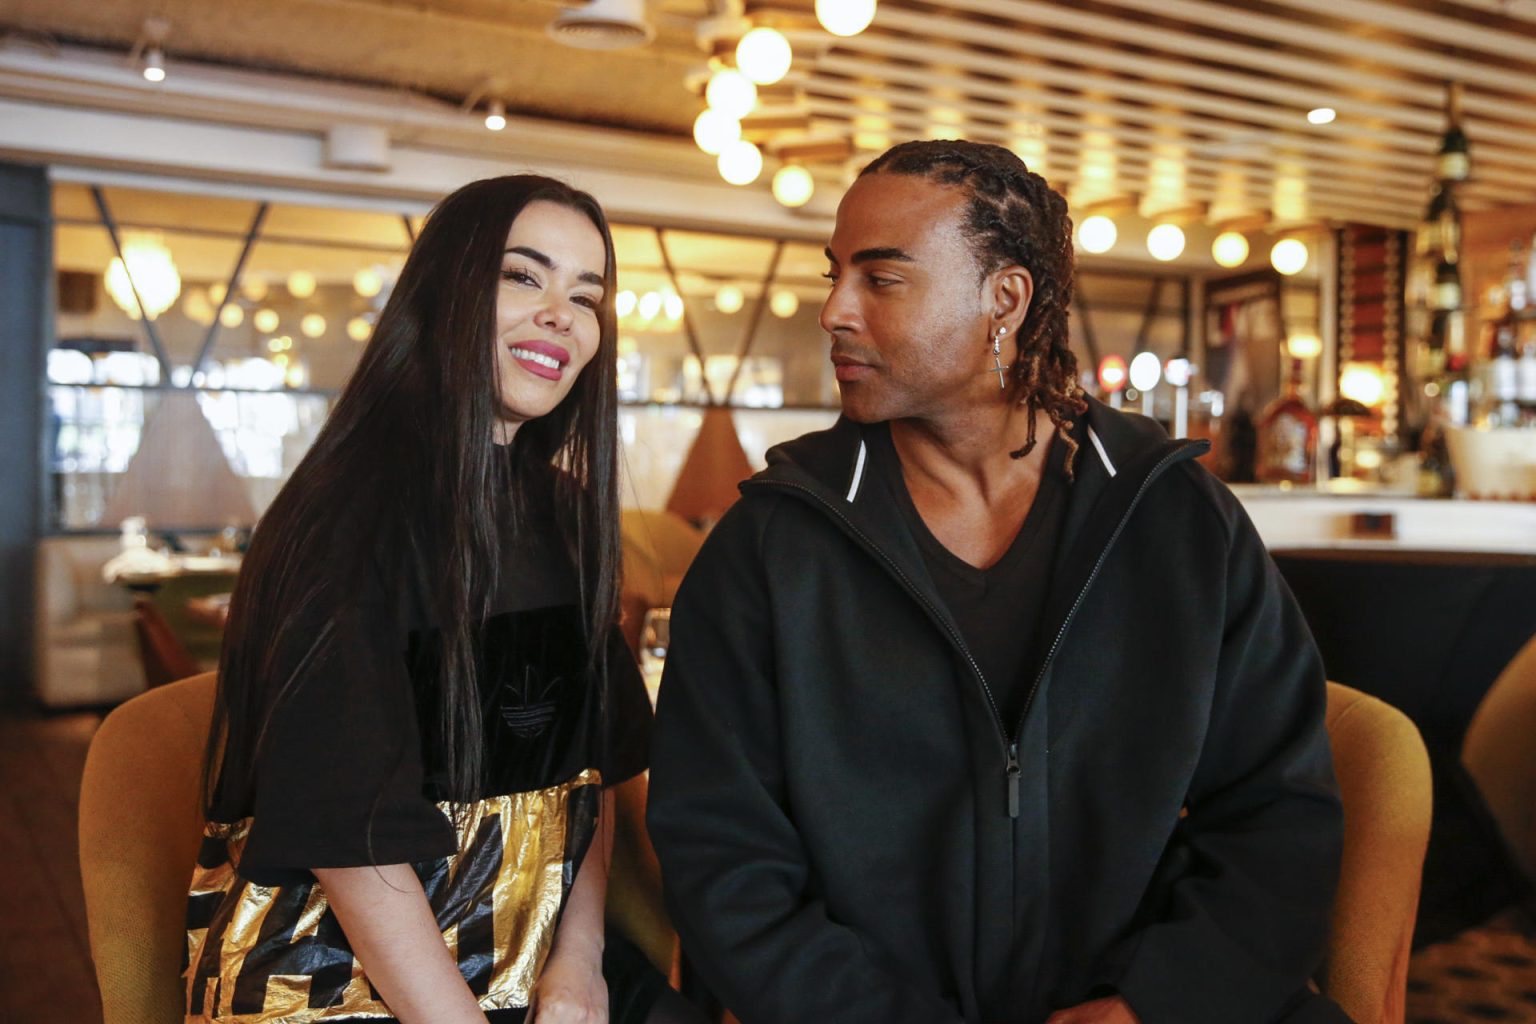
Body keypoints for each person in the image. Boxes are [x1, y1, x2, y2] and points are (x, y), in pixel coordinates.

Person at [646, 141, 1349, 1024]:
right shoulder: (769, 547)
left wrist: (1152, 1005)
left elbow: (1278, 812)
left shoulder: (1176, 521)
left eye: (882, 278)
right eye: (836, 275)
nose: (833, 311)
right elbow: (722, 858)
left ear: (1004, 300)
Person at [188, 175, 697, 1024]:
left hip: (526, 962)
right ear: (447, 291)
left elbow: (591, 778)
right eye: (524, 277)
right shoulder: (341, 523)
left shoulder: (567, 517)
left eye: (586, 295)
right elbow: (349, 838)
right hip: (339, 980)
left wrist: (581, 969)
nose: (561, 316)